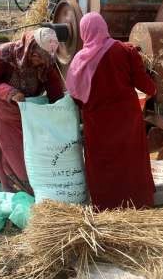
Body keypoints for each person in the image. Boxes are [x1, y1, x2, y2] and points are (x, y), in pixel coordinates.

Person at [66, 12, 157, 210]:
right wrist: (154, 88)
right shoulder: (124, 51)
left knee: (103, 164)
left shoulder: (79, 61)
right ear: (104, 27)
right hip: (127, 121)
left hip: (97, 124)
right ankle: (138, 203)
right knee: (131, 161)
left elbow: (75, 96)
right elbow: (146, 86)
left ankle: (106, 205)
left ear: (83, 32)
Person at [0, 28, 64, 194]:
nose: (39, 62)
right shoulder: (4, 54)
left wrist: (61, 112)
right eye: (36, 56)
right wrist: (9, 93)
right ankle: (11, 189)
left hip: (22, 110)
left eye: (43, 59)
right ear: (29, 48)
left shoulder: (46, 64)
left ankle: (28, 182)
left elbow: (55, 92)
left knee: (24, 148)